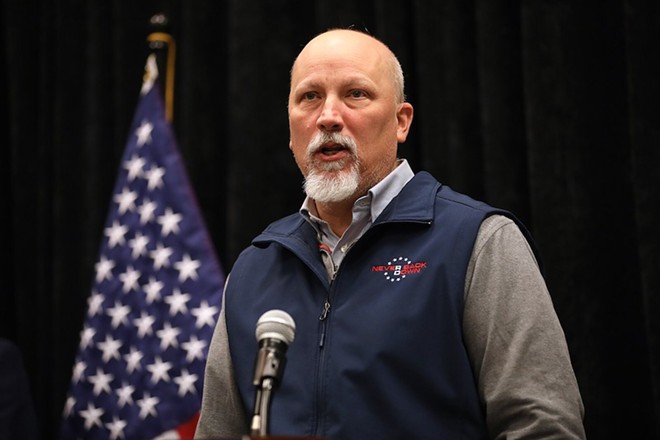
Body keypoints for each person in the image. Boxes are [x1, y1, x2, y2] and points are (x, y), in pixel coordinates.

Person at [196, 28, 586, 439]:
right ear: (291, 125)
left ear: (401, 121)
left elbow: (544, 427)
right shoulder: (255, 267)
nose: (328, 116)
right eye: (309, 97)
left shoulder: (478, 241)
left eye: (355, 94)